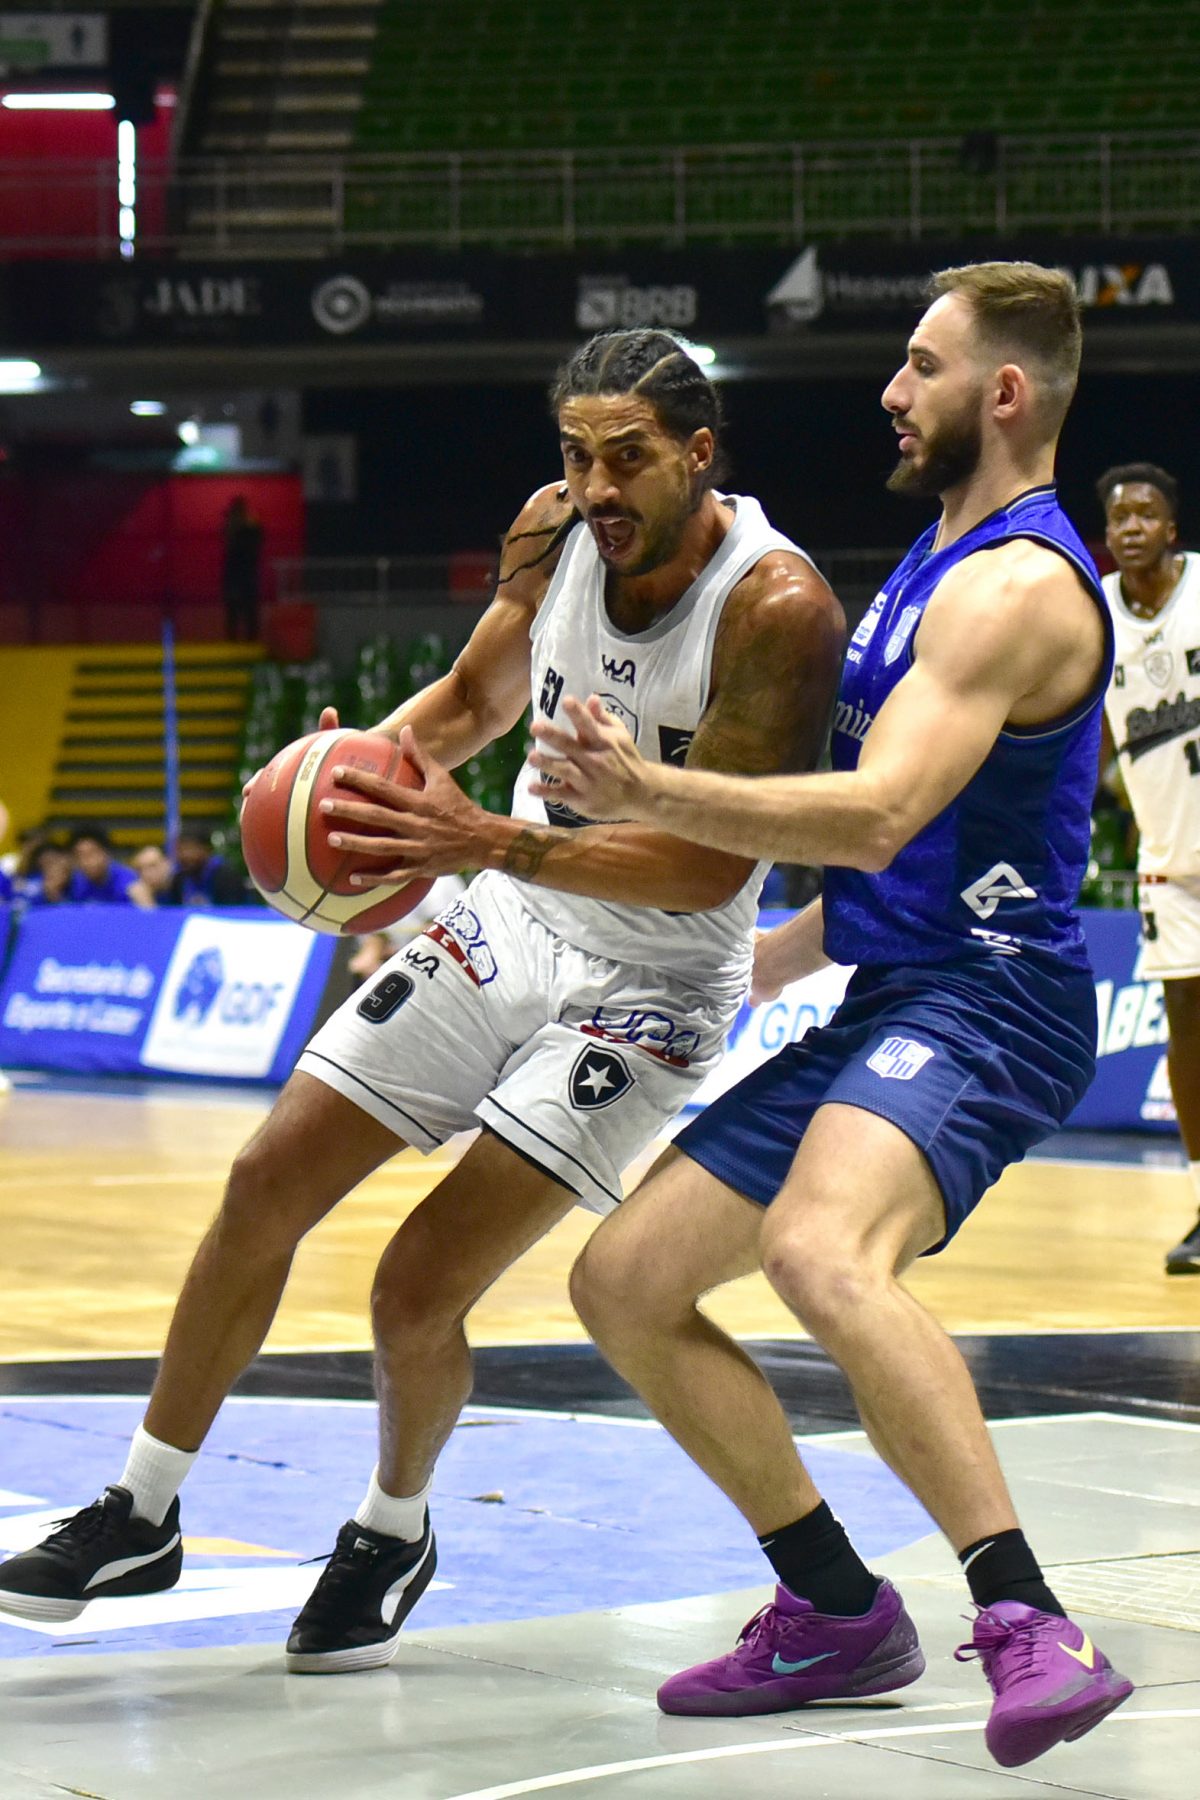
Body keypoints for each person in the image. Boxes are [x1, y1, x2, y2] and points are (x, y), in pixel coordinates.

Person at [0, 331, 844, 1676]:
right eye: (576, 454)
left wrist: (479, 839)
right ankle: (141, 1511)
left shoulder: (777, 607)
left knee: (412, 1290)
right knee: (263, 1183)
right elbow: (469, 701)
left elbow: (706, 868)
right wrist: (350, 787)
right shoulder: (551, 533)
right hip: (509, 915)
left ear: (698, 454)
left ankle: (391, 1531)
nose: (597, 485)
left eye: (627, 457)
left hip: (655, 981)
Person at [531, 265, 1133, 1772]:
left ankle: (1028, 1619)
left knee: (818, 1251)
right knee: (624, 1283)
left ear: (1004, 393)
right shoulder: (938, 555)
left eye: (921, 365)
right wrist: (773, 960)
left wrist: (649, 788)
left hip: (995, 999)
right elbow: (907, 861)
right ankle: (834, 1608)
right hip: (892, 986)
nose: (890, 391)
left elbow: (876, 815)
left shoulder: (1014, 586)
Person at [1096, 463, 1200, 1275]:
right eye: (1119, 516)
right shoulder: (1094, 611)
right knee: (1187, 1034)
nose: (1131, 526)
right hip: (1171, 863)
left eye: (1146, 514)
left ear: (1171, 528)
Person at [66, 825, 154, 907]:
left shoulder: (130, 882)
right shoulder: (74, 883)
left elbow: (149, 913)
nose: (87, 862)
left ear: (106, 853)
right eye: (80, 856)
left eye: (92, 853)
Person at [166, 828, 248, 907]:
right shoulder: (179, 878)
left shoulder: (226, 876)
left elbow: (232, 910)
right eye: (181, 850)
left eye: (191, 849)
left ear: (207, 849)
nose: (185, 855)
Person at [222, 495, 264, 642]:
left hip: (235, 571)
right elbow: (257, 544)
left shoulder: (231, 526)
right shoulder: (252, 525)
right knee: (249, 608)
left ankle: (233, 638)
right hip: (248, 571)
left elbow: (230, 547)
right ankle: (250, 638)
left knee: (234, 609)